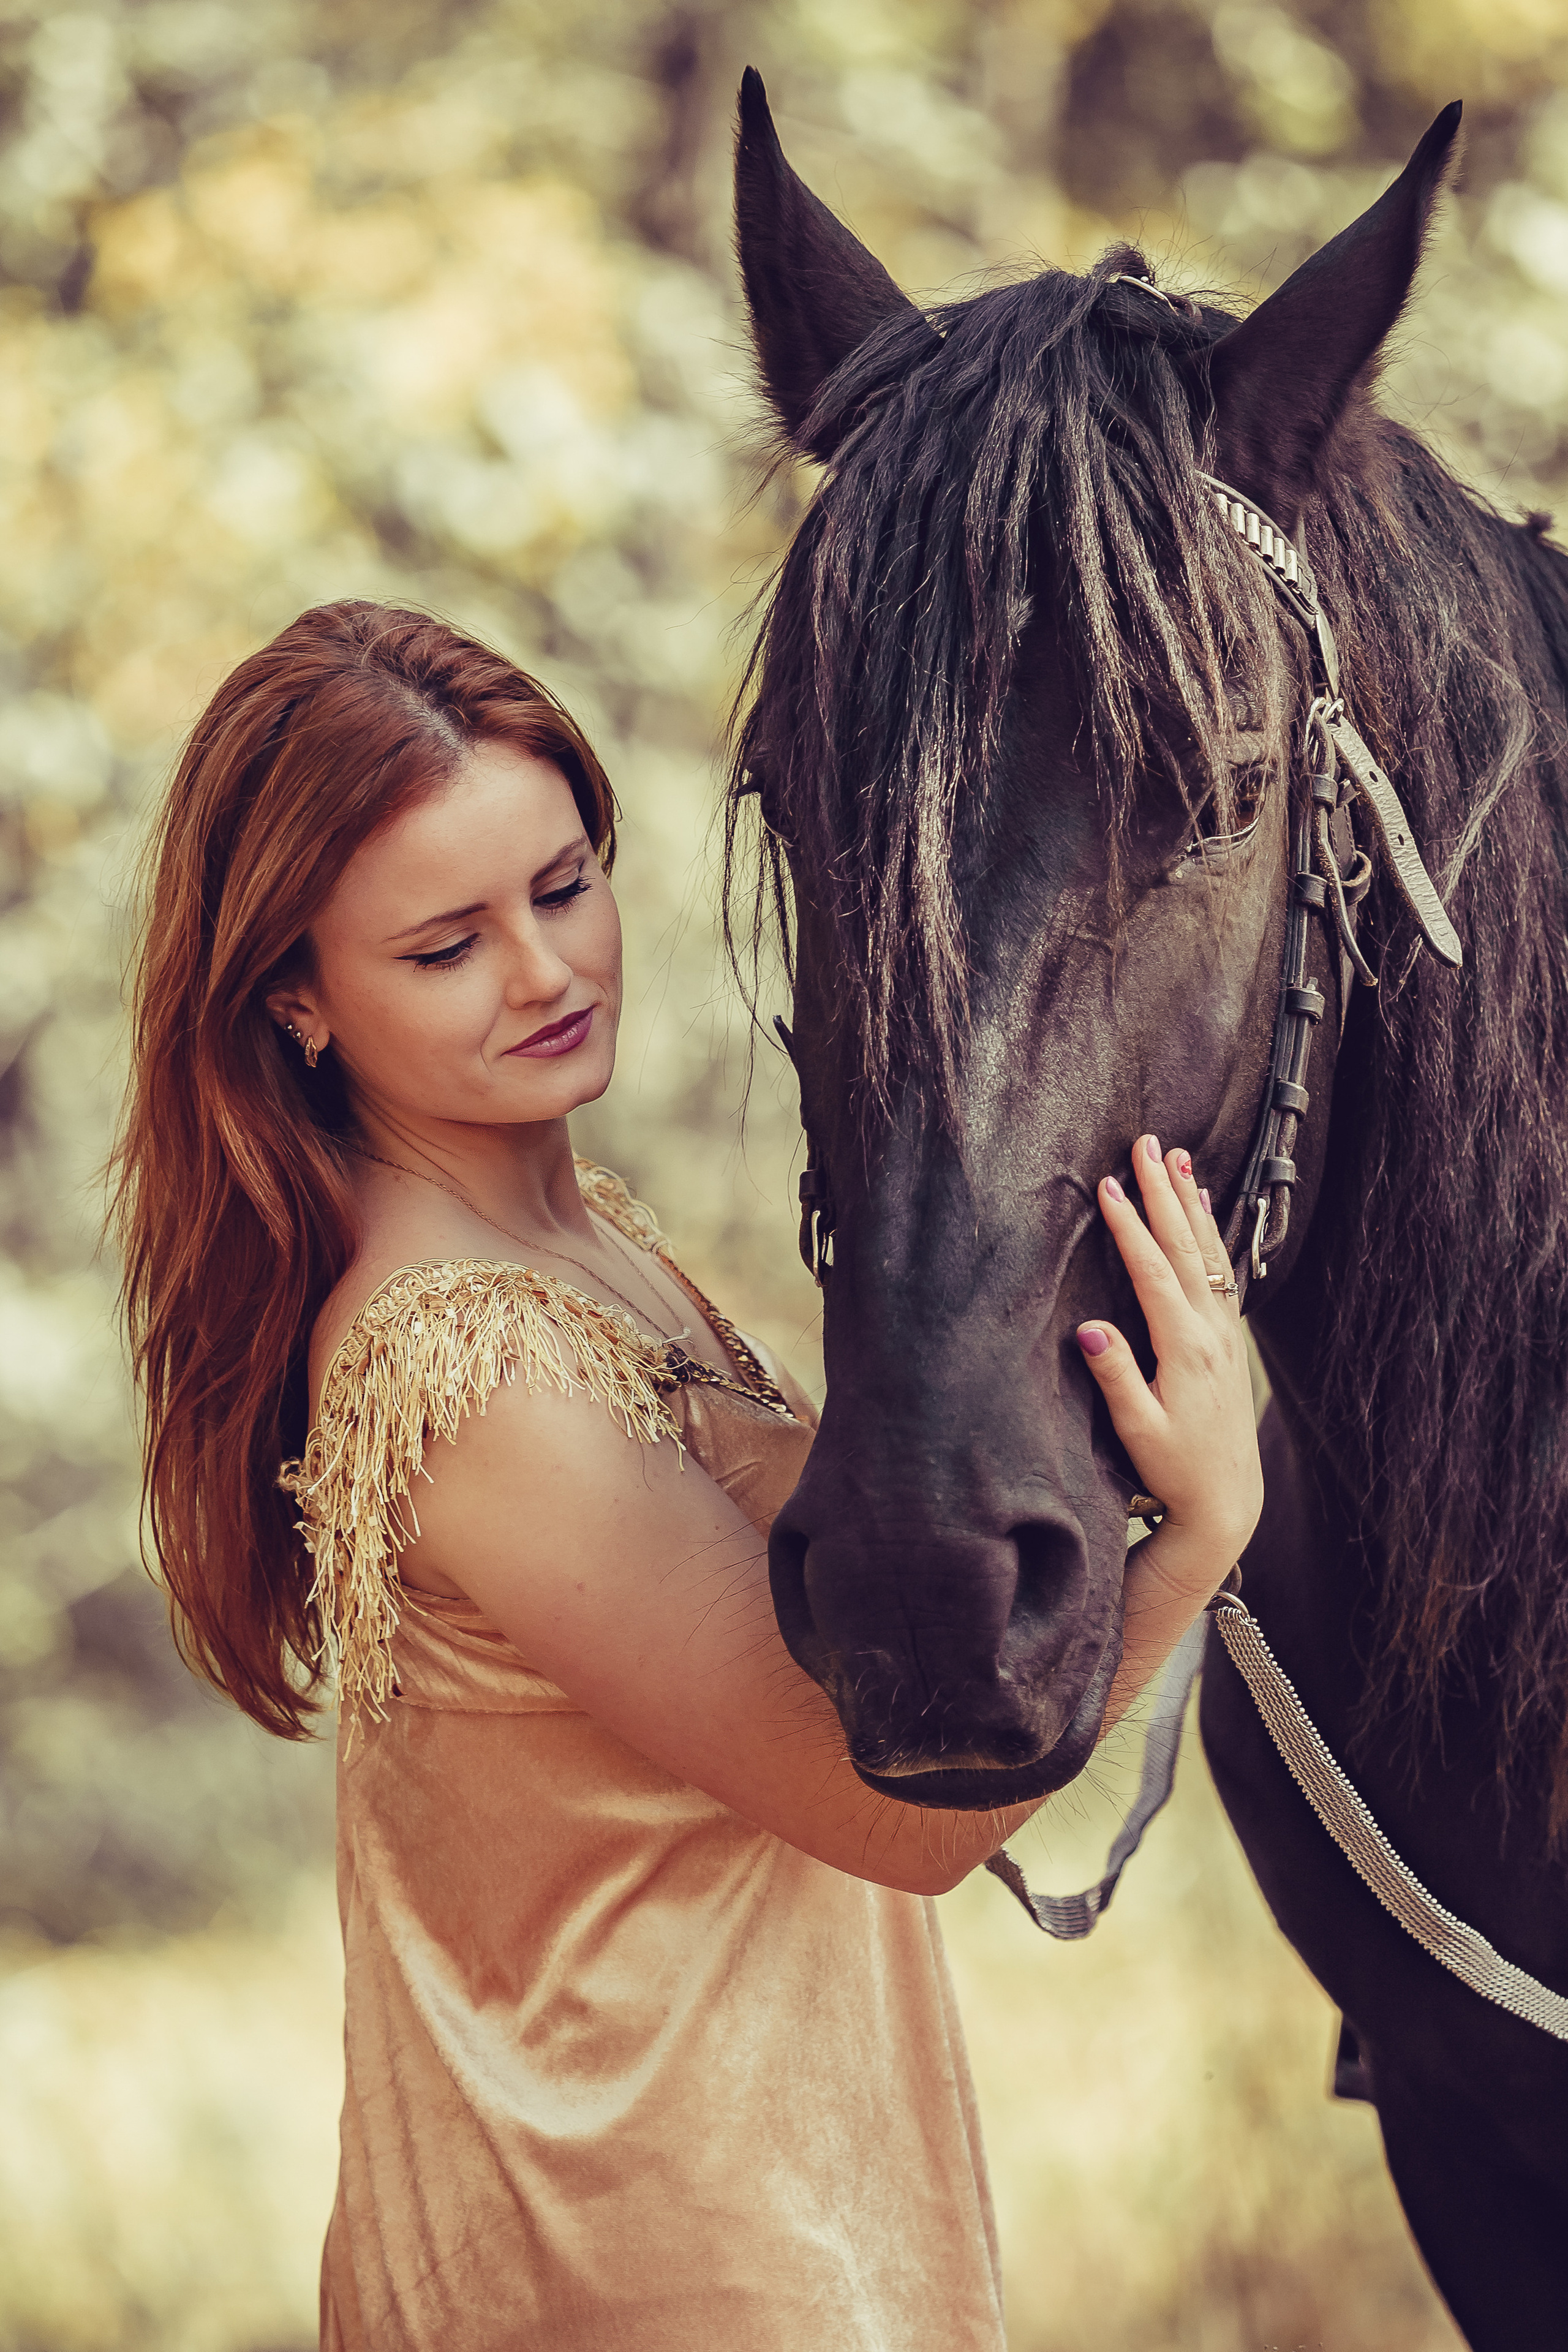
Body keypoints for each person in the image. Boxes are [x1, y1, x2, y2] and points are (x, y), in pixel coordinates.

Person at [115, 601, 1263, 2352]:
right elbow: (883, 1813)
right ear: (297, 998)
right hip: (662, 2262)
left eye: (564, 886)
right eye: (445, 949)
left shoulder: (587, 1244)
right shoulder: (465, 1362)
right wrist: (1194, 1535)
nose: (549, 973)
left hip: (753, 2210)